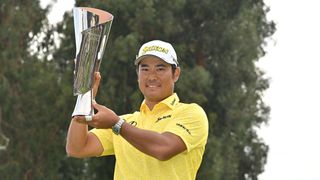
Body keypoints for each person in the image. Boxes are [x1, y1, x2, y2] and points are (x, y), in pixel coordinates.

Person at [66, 40, 209, 180]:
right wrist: (84, 97)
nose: (152, 77)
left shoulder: (191, 113)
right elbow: (77, 148)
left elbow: (164, 149)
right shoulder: (127, 121)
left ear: (175, 74)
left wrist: (117, 124)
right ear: (137, 75)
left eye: (160, 69)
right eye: (145, 69)